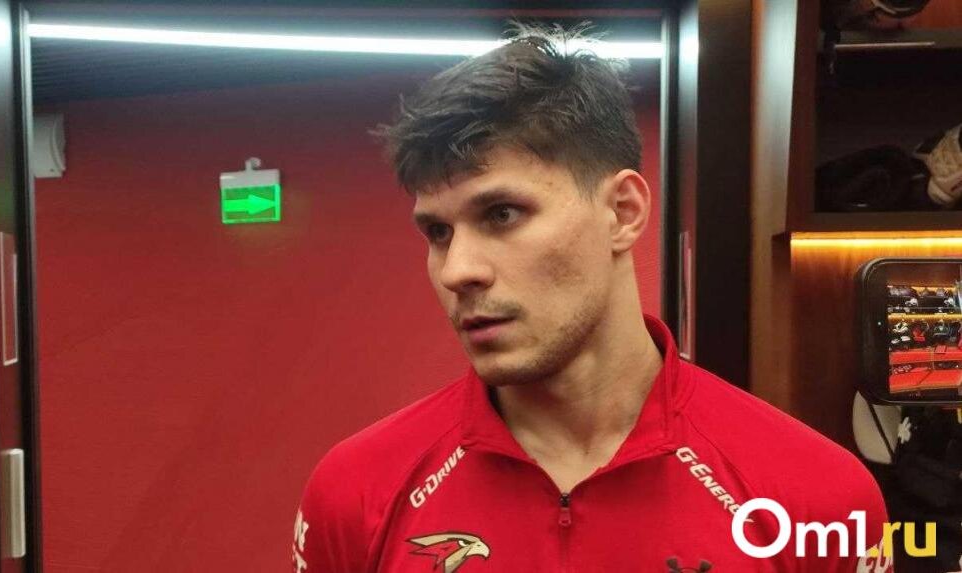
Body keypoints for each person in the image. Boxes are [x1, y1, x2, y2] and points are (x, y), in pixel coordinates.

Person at [291, 23, 893, 572]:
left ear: (623, 212)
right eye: (438, 232)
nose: (457, 271)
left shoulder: (819, 496)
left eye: (502, 213)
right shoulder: (355, 492)